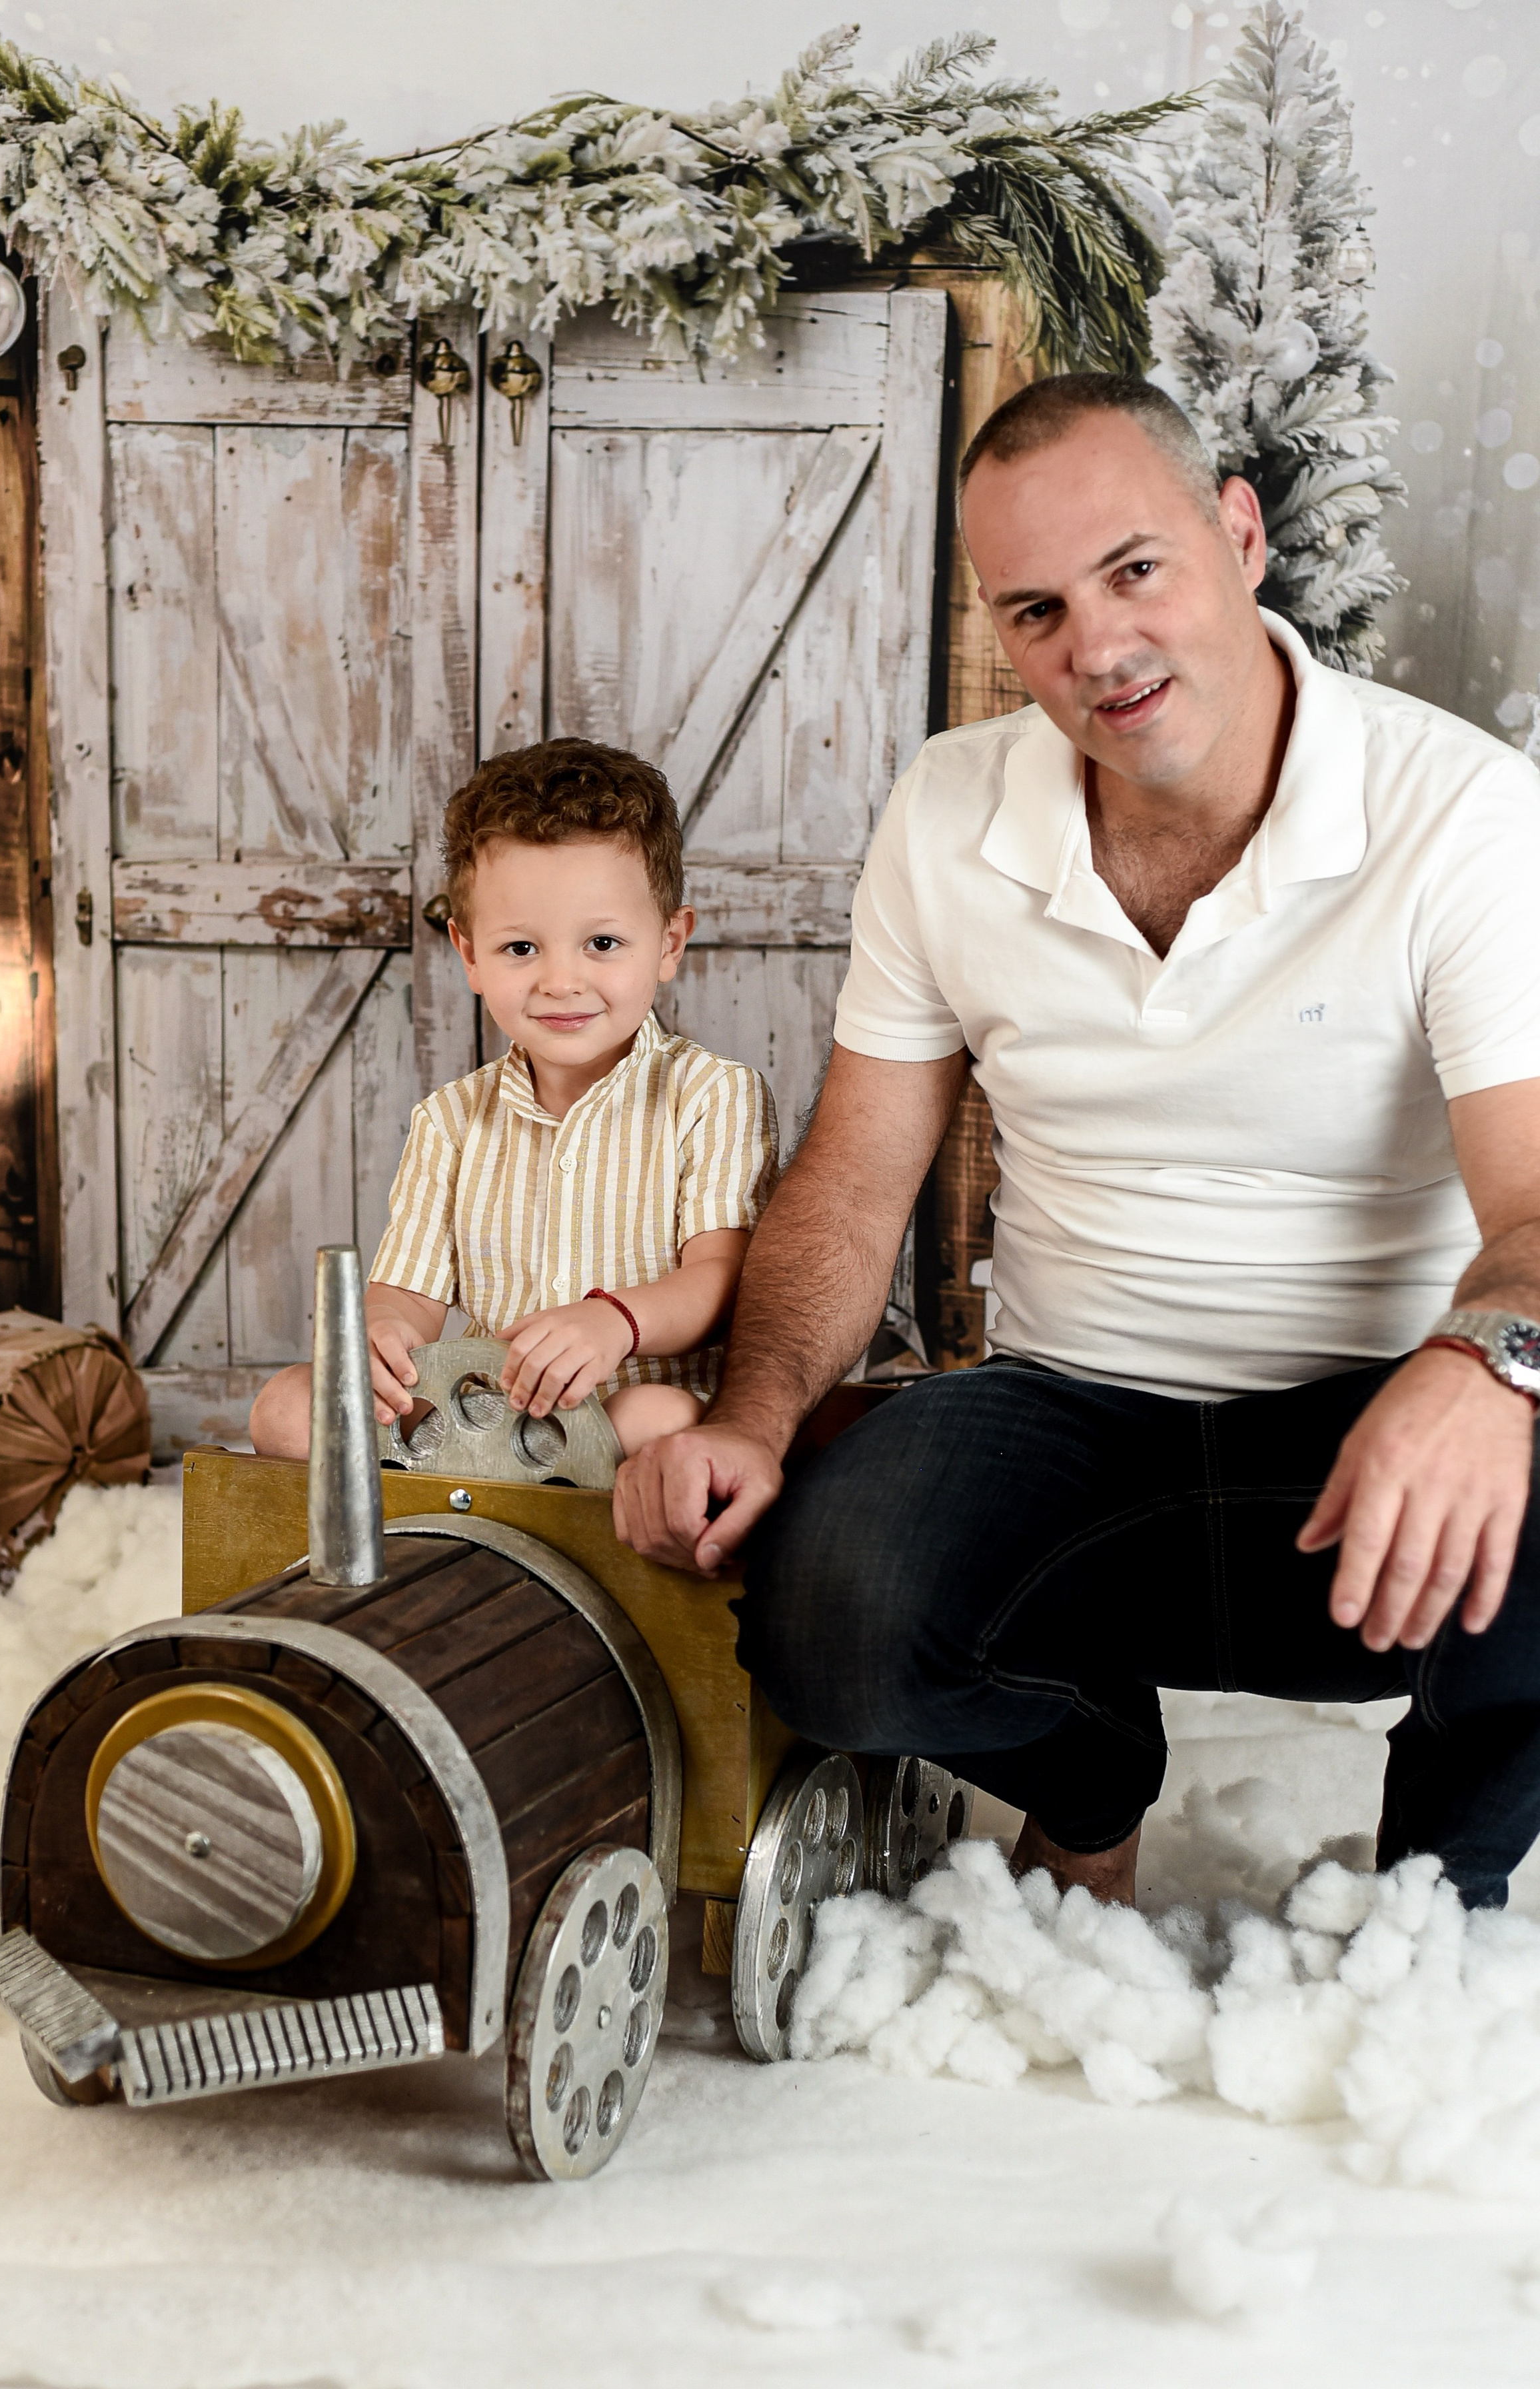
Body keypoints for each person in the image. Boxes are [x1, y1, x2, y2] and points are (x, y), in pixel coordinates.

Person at [614, 372, 1540, 1913]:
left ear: (1237, 538)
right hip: (1070, 1420)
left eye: (1134, 571)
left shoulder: (1461, 815)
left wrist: (1479, 1368)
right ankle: (1087, 1772)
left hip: (1373, 1447)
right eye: (1034, 610)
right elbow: (850, 1177)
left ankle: (1431, 1918)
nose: (1097, 649)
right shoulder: (945, 812)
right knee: (824, 1610)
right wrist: (753, 1419)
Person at [249, 738, 776, 1464]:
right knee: (283, 1405)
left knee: (660, 1417)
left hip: (624, 1415)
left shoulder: (712, 1095)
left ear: (668, 941)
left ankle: (527, 1500)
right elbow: (406, 1293)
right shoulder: (452, 1119)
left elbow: (719, 1279)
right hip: (486, 1420)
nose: (561, 981)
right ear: (469, 953)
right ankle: (467, 1495)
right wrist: (383, 1335)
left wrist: (614, 1321)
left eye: (601, 942)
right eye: (521, 949)